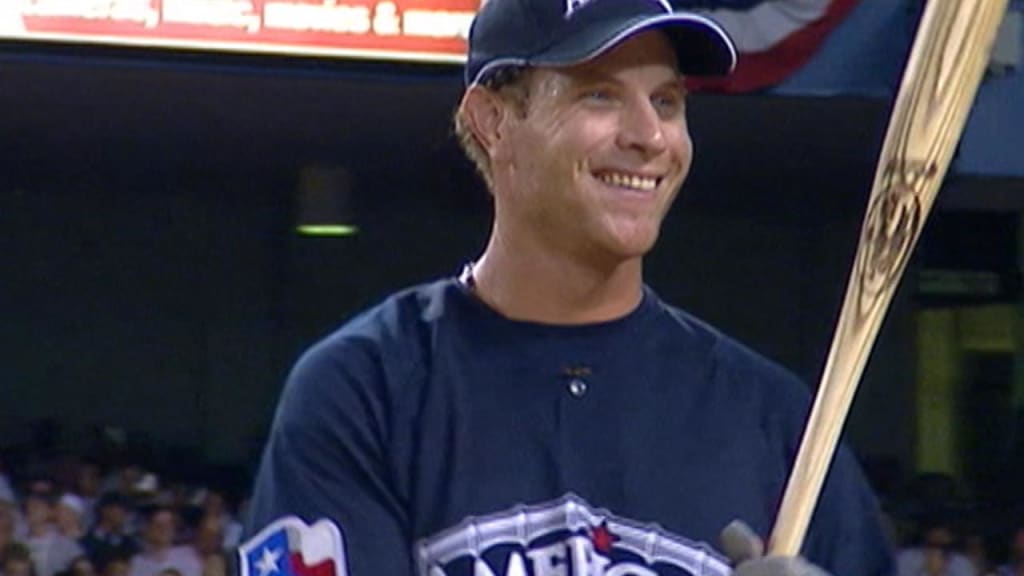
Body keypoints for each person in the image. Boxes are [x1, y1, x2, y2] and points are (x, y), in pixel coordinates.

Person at [244, 0, 895, 574]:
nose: (649, 137)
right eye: (600, 95)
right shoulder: (367, 389)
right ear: (492, 121)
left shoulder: (774, 420)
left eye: (667, 101)